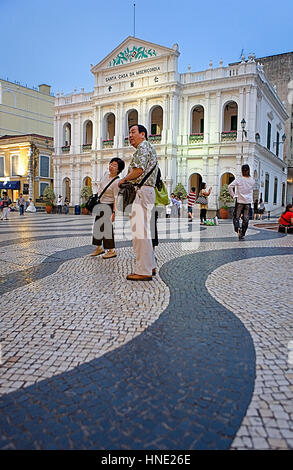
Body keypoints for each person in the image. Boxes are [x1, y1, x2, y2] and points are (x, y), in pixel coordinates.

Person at [118, 124, 158, 281]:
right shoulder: (148, 148)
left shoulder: (143, 147)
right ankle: (150, 266)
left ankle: (144, 270)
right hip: (146, 192)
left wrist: (124, 179)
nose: (130, 135)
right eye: (129, 132)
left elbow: (139, 170)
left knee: (139, 233)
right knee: (144, 232)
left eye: (133, 132)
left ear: (143, 134)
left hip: (141, 192)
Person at [91, 157, 125, 259]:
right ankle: (98, 248)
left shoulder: (117, 182)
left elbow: (116, 198)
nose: (111, 167)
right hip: (100, 203)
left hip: (108, 206)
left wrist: (114, 213)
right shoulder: (106, 174)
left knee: (107, 229)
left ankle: (111, 250)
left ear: (119, 169)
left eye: (114, 165)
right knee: (97, 227)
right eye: (111, 164)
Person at [228, 164, 255, 240]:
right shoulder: (252, 181)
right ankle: (242, 233)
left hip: (239, 201)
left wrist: (233, 195)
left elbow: (229, 186)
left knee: (236, 217)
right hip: (248, 202)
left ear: (242, 171)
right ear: (248, 170)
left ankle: (237, 228)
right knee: (246, 219)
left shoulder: (239, 179)